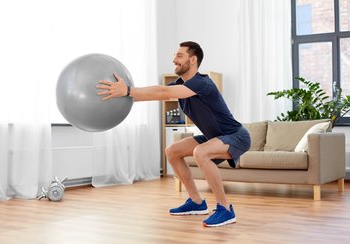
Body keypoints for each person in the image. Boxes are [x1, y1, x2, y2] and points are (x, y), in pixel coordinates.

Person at [96, 41, 251, 227]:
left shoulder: (203, 83)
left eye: (179, 56)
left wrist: (128, 90)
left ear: (193, 60)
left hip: (236, 135)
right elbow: (155, 94)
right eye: (174, 56)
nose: (174, 60)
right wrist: (118, 95)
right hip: (215, 136)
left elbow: (162, 91)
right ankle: (196, 202)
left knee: (200, 152)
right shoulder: (180, 84)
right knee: (172, 151)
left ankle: (225, 209)